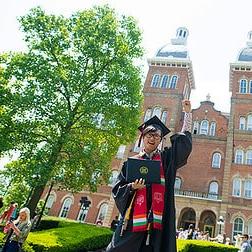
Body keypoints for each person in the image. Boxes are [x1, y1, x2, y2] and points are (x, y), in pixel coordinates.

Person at [106, 100, 192, 252]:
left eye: (156, 136)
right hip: (133, 219)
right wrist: (132, 187)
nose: (152, 138)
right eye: (149, 135)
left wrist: (188, 114)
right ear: (142, 138)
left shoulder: (166, 160)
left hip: (157, 219)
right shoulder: (132, 163)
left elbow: (182, 145)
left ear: (160, 140)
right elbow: (117, 189)